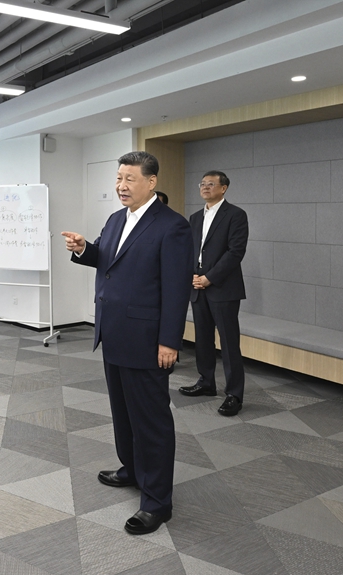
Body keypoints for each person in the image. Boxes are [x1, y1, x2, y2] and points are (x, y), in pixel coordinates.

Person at [62, 151, 193, 535]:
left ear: (151, 182)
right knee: (122, 413)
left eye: (129, 179)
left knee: (151, 422)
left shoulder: (172, 226)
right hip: (114, 333)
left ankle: (157, 502)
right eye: (119, 178)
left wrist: (169, 341)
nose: (121, 186)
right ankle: (132, 469)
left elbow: (176, 289)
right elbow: (108, 259)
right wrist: (84, 249)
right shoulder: (116, 218)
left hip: (147, 340)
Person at [179, 170, 249, 417]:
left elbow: (235, 252)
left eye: (211, 184)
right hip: (197, 285)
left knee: (229, 343)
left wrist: (209, 278)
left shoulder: (236, 215)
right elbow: (189, 250)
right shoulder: (195, 217)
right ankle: (206, 382)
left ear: (224, 188)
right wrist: (192, 275)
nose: (205, 187)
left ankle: (234, 394)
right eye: (202, 184)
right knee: (203, 339)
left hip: (222, 287)